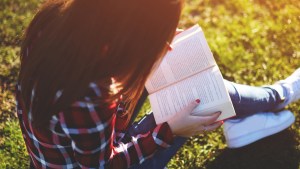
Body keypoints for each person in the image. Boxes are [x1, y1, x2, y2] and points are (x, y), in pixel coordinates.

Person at [16, 0, 299, 168]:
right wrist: (169, 131)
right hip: (103, 160)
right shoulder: (88, 94)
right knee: (196, 95)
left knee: (187, 79)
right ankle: (277, 96)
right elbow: (104, 166)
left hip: (83, 143)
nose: (163, 42)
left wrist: (148, 45)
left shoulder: (57, 22)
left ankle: (246, 116)